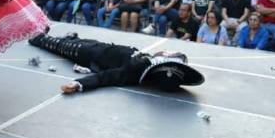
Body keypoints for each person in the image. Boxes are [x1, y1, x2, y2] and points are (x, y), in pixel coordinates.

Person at [28, 32, 204, 94]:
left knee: (58, 45)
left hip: (91, 55)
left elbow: (107, 77)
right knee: (78, 40)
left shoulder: (136, 70)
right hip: (105, 47)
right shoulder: (147, 61)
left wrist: (79, 83)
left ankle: (38, 38)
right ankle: (70, 38)